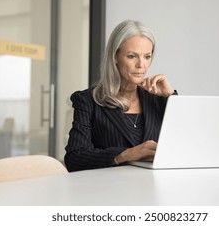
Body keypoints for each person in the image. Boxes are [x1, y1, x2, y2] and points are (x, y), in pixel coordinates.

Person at [64, 20, 176, 172]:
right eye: (132, 56)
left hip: (151, 190)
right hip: (107, 191)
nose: (141, 65)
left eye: (147, 56)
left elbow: (190, 145)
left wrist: (170, 97)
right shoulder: (87, 101)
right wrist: (125, 154)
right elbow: (75, 158)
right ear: (115, 56)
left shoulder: (158, 99)